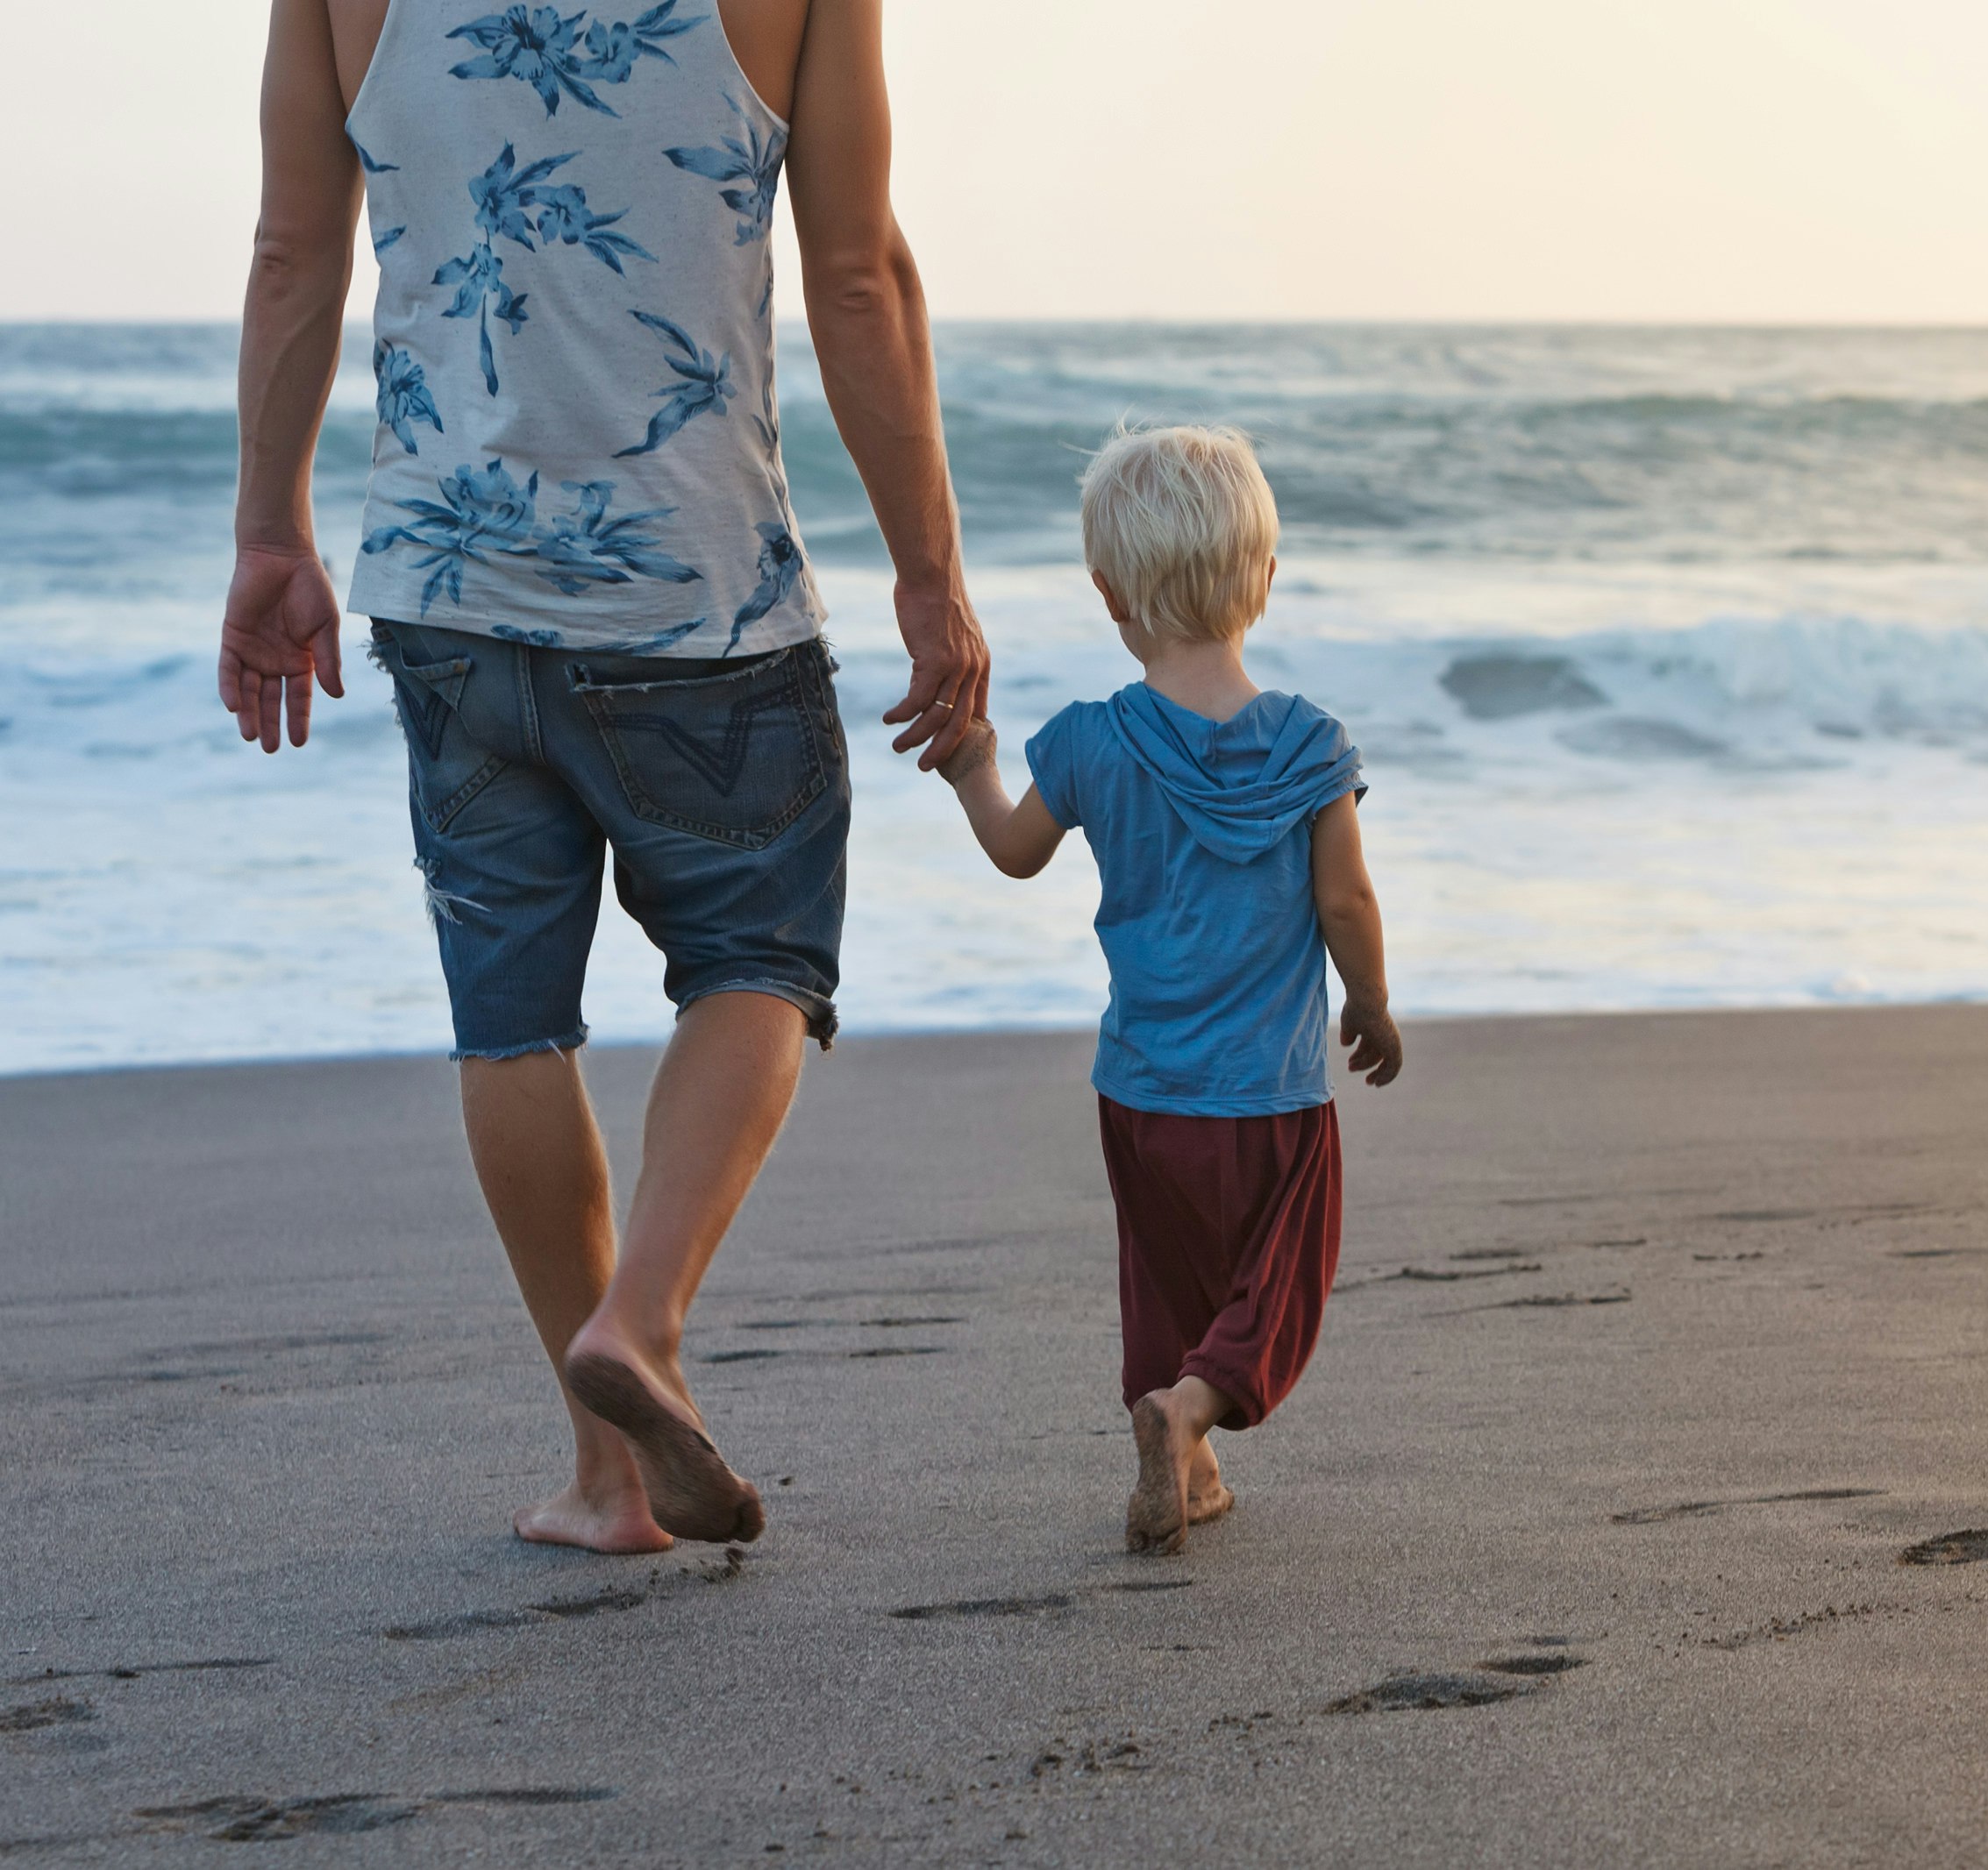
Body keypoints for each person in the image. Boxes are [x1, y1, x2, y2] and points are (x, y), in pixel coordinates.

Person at [219, 0, 988, 1552]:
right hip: (698, 591)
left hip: (443, 593)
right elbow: (858, 270)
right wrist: (929, 573)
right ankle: (642, 1321)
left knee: (510, 1019)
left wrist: (268, 532)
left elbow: (293, 258)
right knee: (756, 957)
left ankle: (604, 1477)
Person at [935, 425, 1401, 1555]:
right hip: (1271, 1099)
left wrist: (972, 767)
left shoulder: (1094, 742)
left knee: (1165, 1281)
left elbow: (1013, 849)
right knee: (1276, 1285)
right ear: (1267, 580)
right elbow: (1346, 904)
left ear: (1109, 596)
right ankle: (1191, 1413)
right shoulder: (1310, 749)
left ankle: (1182, 1463)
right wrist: (1372, 1004)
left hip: (1141, 1093)